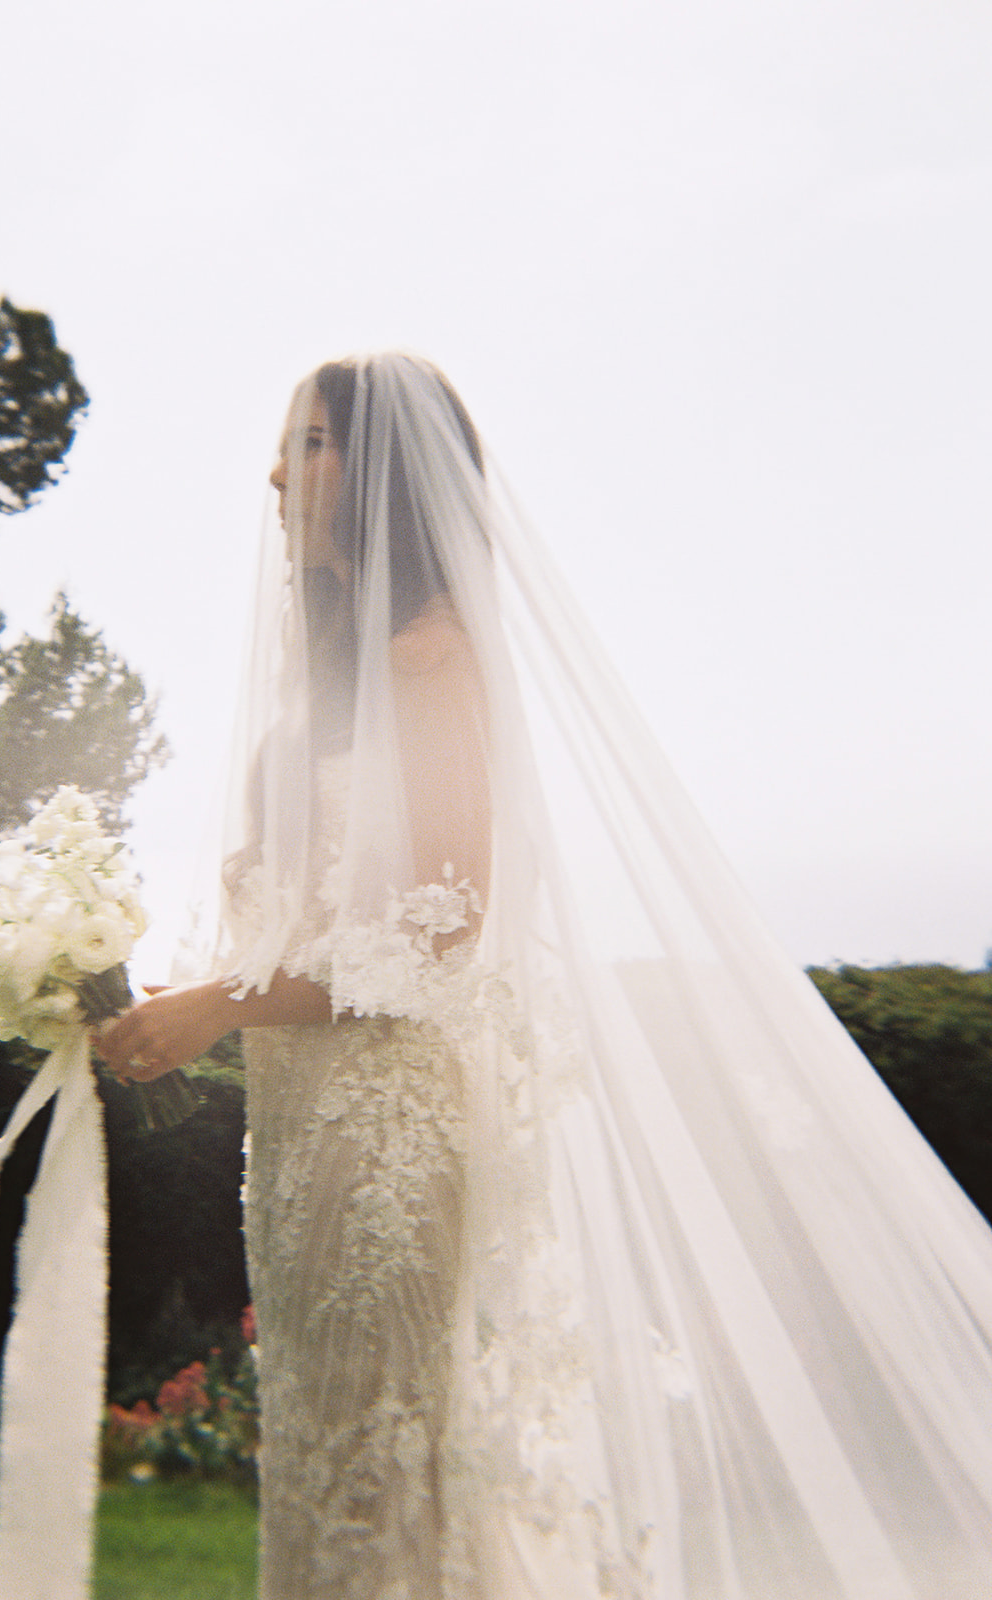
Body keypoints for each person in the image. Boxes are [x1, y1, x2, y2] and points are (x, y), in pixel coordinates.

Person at [97, 354, 992, 1599]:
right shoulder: (315, 700)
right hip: (294, 1138)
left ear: (385, 475)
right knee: (318, 1449)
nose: (274, 472)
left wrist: (217, 1006)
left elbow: (439, 929)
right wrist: (144, 998)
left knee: (388, 1461)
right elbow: (292, 926)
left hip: (387, 1129)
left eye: (308, 443)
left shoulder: (434, 658)